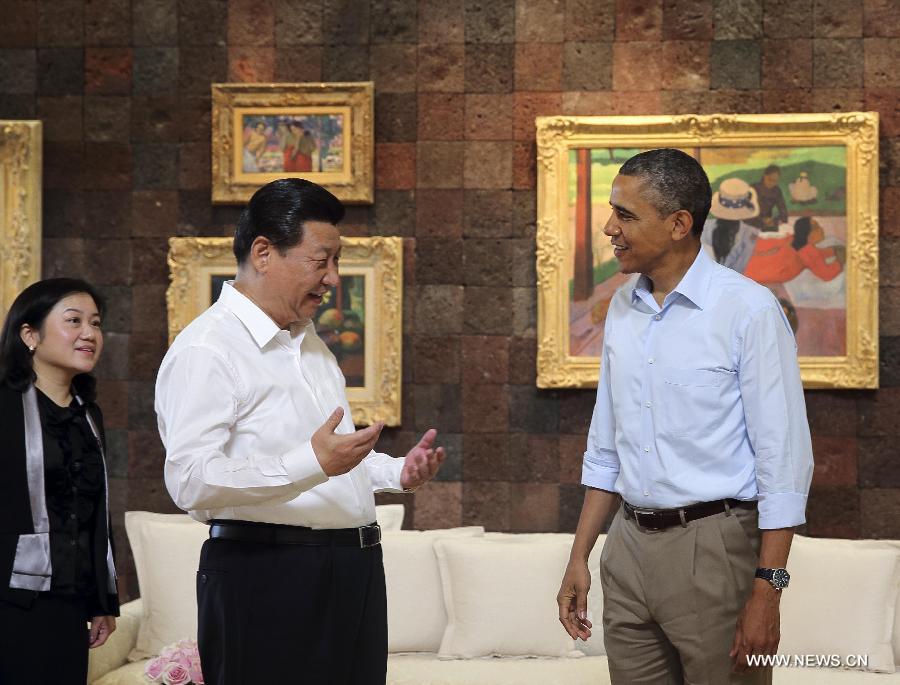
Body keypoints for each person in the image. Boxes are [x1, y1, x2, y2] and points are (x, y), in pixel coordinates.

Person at [155, 178, 445, 685]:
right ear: (264, 252)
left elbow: (331, 455)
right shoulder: (208, 349)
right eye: (322, 260)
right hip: (266, 572)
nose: (333, 278)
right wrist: (312, 462)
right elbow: (191, 480)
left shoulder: (311, 346)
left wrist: (400, 472)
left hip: (352, 570)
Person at [556, 149, 814, 684]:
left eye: (625, 215)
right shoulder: (624, 307)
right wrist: (580, 555)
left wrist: (769, 587)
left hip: (715, 547)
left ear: (678, 224)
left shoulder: (749, 311)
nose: (610, 227)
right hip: (626, 547)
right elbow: (606, 446)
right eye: (612, 212)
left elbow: (784, 464)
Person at [0, 278, 119, 684]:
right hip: (11, 602)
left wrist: (103, 600)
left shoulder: (89, 414)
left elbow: (96, 512)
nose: (89, 333)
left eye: (96, 323)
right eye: (74, 321)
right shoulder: (4, 406)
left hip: (69, 607)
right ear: (29, 334)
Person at [743, 216, 843, 285]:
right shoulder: (807, 251)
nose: (821, 229)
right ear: (808, 234)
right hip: (760, 271)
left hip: (752, 265)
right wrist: (840, 261)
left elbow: (817, 255)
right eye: (817, 227)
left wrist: (831, 251)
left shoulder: (793, 239)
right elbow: (826, 274)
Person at [747, 164, 789, 231]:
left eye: (775, 181)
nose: (772, 183)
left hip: (767, 224)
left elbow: (783, 211)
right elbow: (745, 211)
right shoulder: (753, 189)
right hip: (751, 222)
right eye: (770, 179)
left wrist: (774, 220)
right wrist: (761, 220)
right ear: (764, 176)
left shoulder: (776, 191)